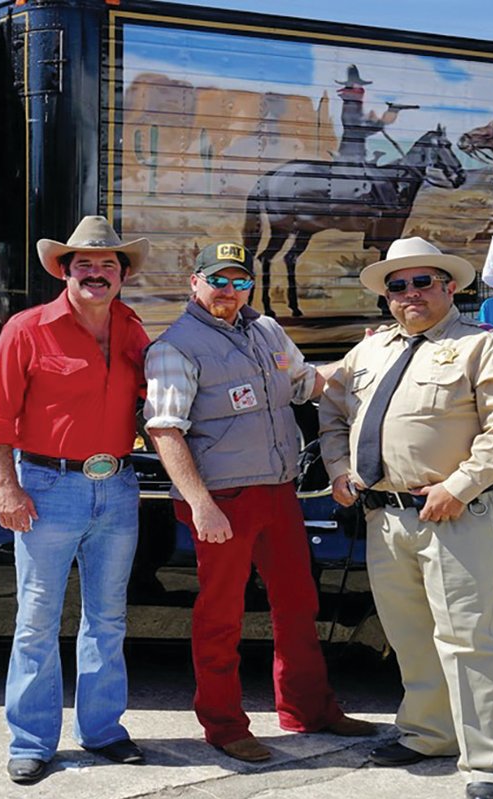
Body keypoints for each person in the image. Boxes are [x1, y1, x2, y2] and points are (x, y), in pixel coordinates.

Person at [318, 237, 493, 799]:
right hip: (387, 518)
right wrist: (339, 468)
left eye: (423, 282)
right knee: (410, 635)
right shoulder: (369, 353)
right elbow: (332, 411)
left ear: (450, 287)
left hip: (459, 516)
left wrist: (458, 487)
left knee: (470, 641)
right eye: (398, 285)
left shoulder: (484, 348)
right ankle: (429, 733)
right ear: (386, 296)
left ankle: (488, 762)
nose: (410, 294)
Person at [143, 242, 377, 763]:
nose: (229, 291)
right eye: (218, 280)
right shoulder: (174, 348)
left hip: (278, 491)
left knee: (298, 605)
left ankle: (308, 710)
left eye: (240, 281)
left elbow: (306, 385)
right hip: (223, 499)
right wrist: (200, 504)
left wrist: (366, 357)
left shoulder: (267, 330)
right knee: (220, 616)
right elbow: (164, 431)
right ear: (195, 283)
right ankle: (224, 725)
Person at [0, 216, 151, 784]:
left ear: (121, 275)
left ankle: (101, 732)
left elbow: (165, 395)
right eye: (85, 265)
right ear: (65, 271)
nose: (96, 273)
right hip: (48, 488)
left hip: (118, 486)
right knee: (36, 621)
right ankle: (30, 741)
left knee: (108, 618)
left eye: (107, 265)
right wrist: (7, 485)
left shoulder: (131, 328)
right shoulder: (28, 329)